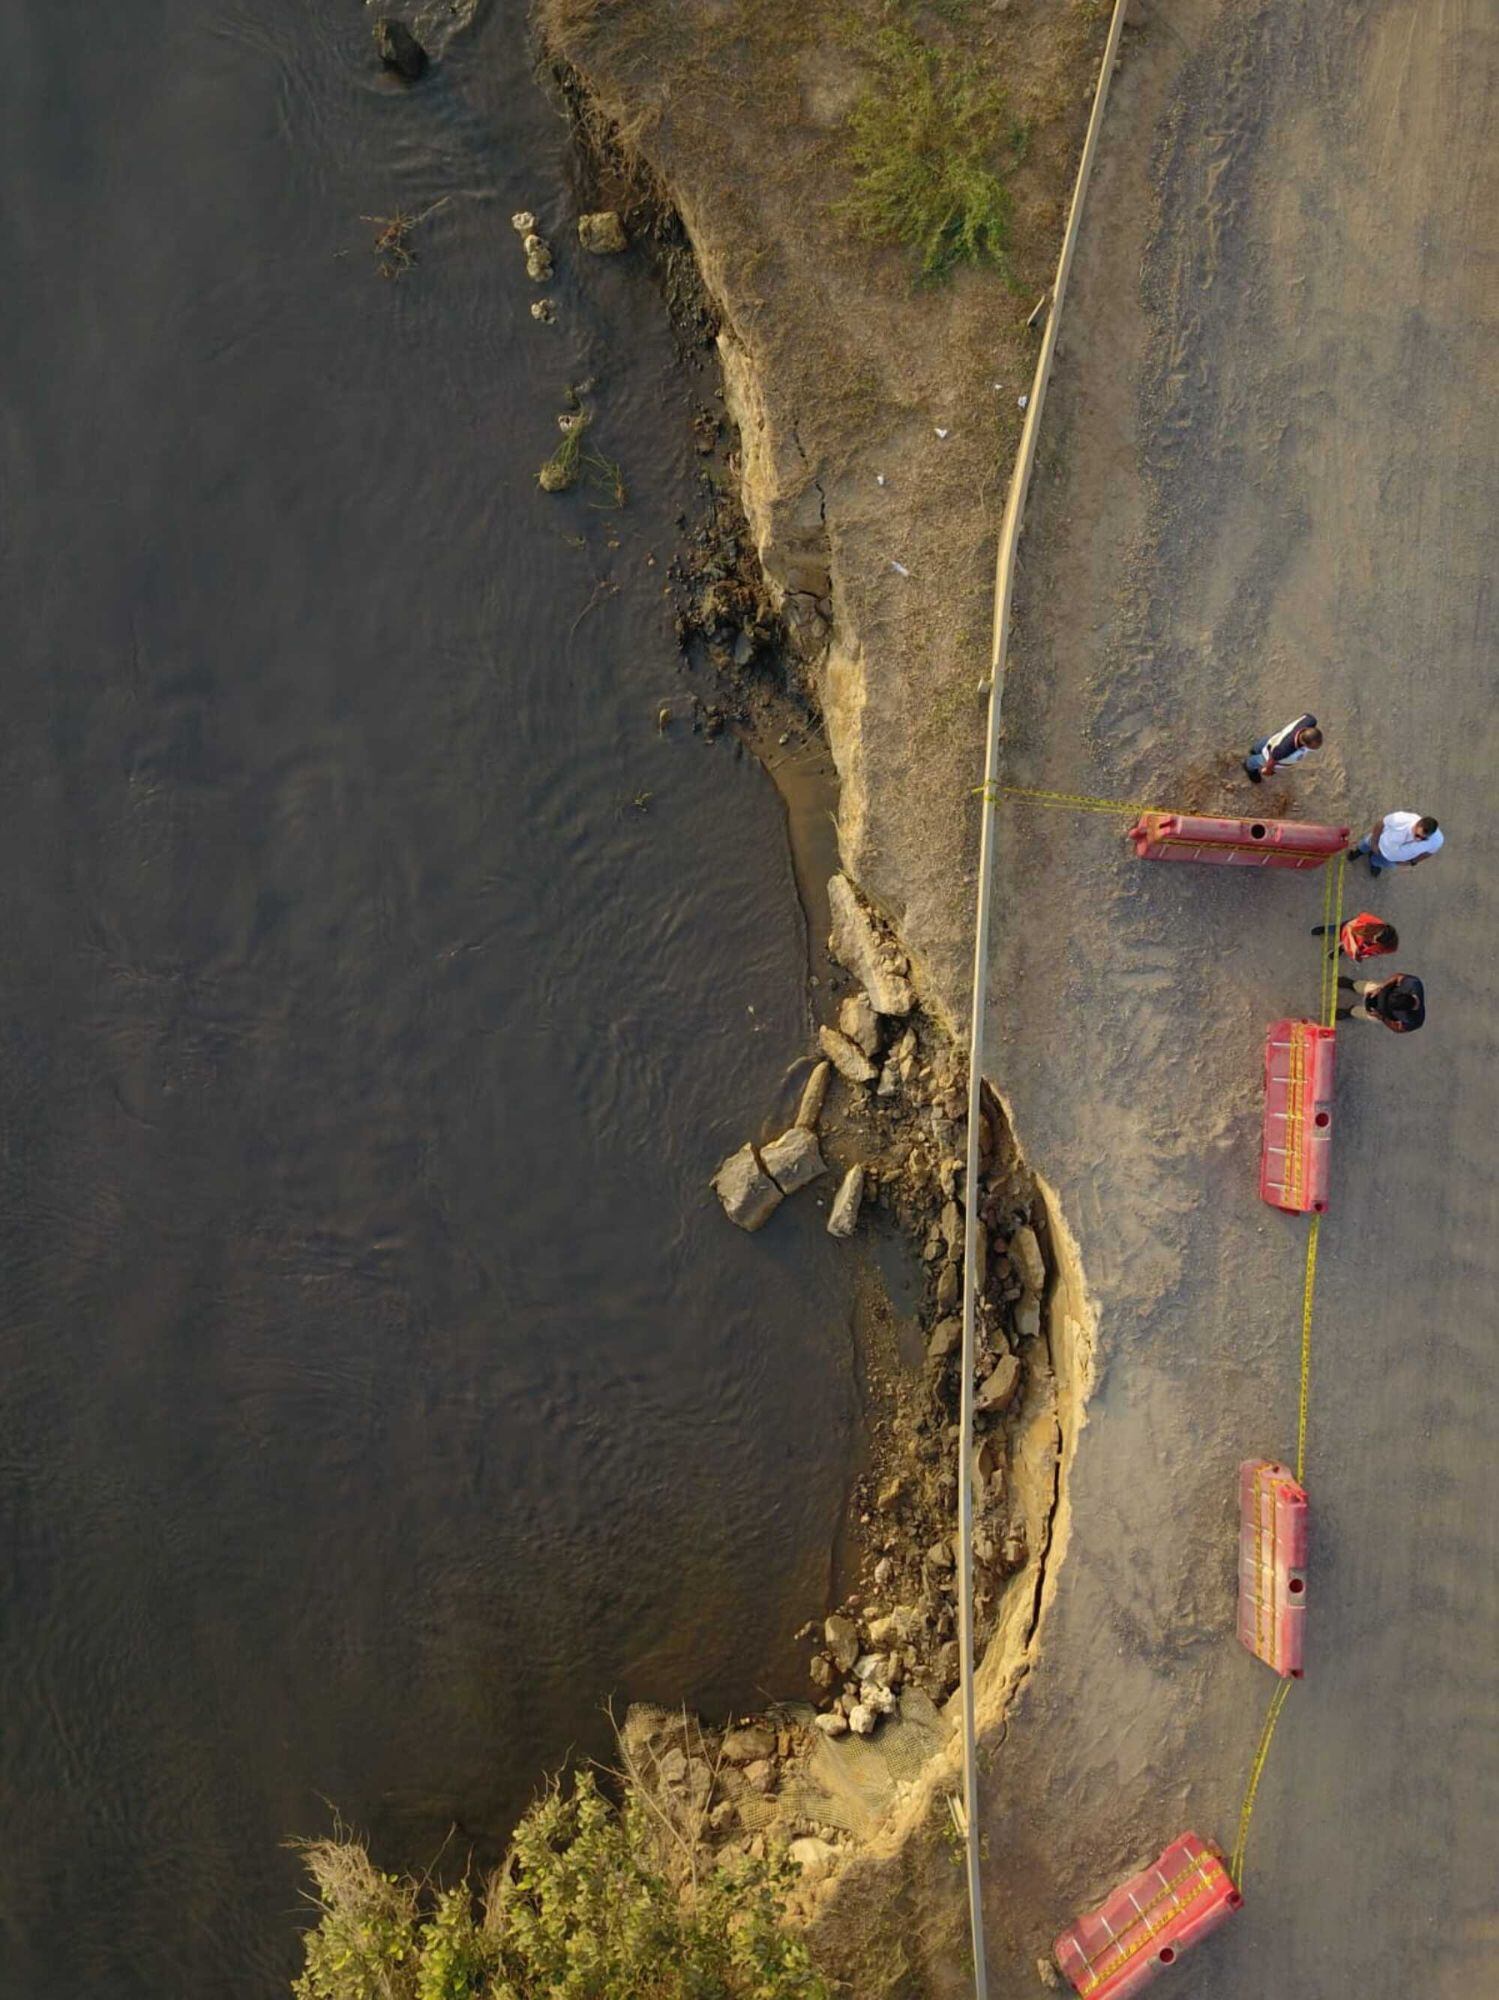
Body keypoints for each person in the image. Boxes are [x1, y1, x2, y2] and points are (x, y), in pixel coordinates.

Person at [1350, 811, 1443, 874]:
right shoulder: (1400, 819)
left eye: (1423, 839)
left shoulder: (1437, 840)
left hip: (1392, 860)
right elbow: (1380, 824)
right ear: (1416, 824)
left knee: (1379, 862)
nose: (1417, 840)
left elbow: (1428, 853)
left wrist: (1412, 862)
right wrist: (1374, 842)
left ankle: (1374, 862)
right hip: (1379, 843)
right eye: (1417, 835)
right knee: (1365, 844)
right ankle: (1358, 852)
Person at [1244, 713, 1322, 783]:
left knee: (1262, 744)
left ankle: (1254, 750)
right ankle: (1249, 764)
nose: (1316, 748)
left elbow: (1305, 715)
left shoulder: (1310, 721)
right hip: (1272, 754)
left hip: (1275, 740)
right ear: (1303, 743)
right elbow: (1271, 761)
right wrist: (1267, 770)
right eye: (1312, 747)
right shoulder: (1284, 750)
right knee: (1255, 761)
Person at [1336, 971, 1425, 1031]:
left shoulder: (1415, 1021)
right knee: (1372, 987)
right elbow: (1398, 977)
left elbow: (1398, 1028)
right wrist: (1381, 988)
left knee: (1370, 1014)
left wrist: (1382, 1018)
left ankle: (1350, 1011)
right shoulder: (1413, 984)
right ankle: (1353, 985)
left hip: (1384, 1014)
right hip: (1386, 992)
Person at [1311, 912, 1398, 964]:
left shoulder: (1389, 947)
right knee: (1336, 929)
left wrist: (1359, 954)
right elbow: (1349, 926)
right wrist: (1354, 946)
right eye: (1372, 937)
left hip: (1355, 944)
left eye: (1375, 941)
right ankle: (1325, 929)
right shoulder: (1370, 922)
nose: (1372, 940)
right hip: (1347, 930)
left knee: (1344, 946)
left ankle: (1340, 949)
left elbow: (1374, 952)